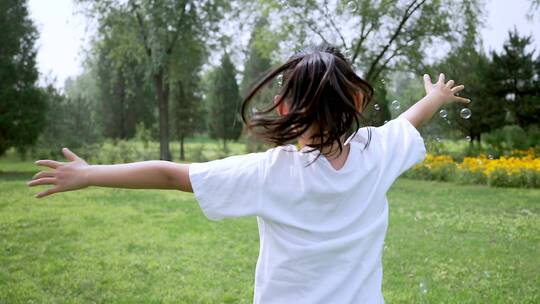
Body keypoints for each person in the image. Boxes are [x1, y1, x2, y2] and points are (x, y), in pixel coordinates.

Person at [27, 44, 470, 303]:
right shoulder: (378, 151)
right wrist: (435, 95)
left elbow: (168, 175)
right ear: (356, 103)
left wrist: (89, 174)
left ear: (283, 108)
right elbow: (412, 119)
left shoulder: (269, 172)